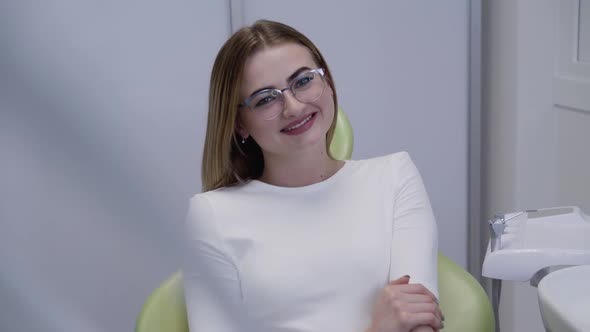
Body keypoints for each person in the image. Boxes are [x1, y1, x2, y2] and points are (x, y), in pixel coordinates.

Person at [183, 19, 443, 332]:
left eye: (304, 81)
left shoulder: (394, 177)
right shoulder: (211, 214)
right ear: (240, 124)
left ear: (328, 83)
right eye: (266, 99)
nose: (292, 106)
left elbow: (420, 322)